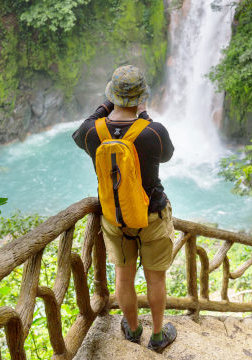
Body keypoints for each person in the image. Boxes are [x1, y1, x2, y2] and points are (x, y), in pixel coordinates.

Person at [72, 65, 177, 353]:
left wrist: (106, 106)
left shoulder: (94, 132)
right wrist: (144, 116)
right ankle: (157, 335)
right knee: (155, 278)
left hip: (114, 217)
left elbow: (78, 132)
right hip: (151, 215)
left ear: (112, 96)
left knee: (123, 275)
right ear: (141, 97)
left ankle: (131, 329)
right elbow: (167, 155)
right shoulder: (152, 131)